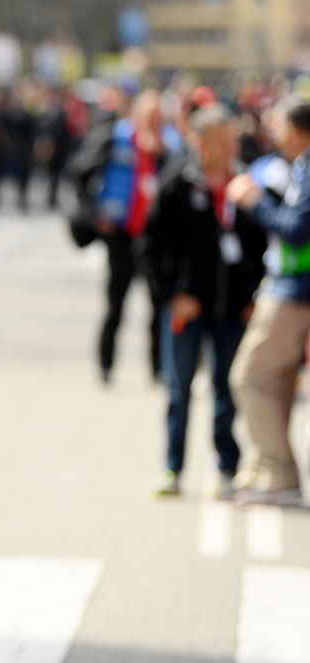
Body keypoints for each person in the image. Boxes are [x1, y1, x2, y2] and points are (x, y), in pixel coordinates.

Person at [142, 104, 267, 498]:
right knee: (179, 391)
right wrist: (171, 296)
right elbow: (149, 246)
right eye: (223, 139)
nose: (232, 145)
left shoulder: (246, 185)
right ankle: (172, 469)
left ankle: (226, 468)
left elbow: (261, 245)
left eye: (233, 138)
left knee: (226, 389)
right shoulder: (177, 184)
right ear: (200, 143)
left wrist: (252, 296)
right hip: (186, 310)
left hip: (232, 310)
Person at [226, 97, 310, 505]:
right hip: (289, 288)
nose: (272, 135)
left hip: (295, 292)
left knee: (248, 377)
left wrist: (253, 200)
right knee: (271, 383)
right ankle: (271, 473)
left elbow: (296, 230)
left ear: (294, 130)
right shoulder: (299, 167)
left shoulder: (307, 167)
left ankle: (279, 474)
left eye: (277, 126)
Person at [68, 89, 178, 384]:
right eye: (148, 117)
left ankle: (158, 368)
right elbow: (78, 176)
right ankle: (106, 365)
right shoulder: (113, 137)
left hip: (153, 237)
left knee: (158, 305)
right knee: (116, 303)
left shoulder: (169, 146)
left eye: (158, 118)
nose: (153, 123)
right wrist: (93, 217)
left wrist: (162, 155)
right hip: (120, 234)